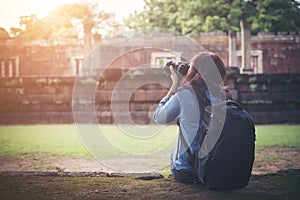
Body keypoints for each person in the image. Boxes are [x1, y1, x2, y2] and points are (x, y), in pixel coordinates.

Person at [153, 51, 227, 183]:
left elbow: (159, 117)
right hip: (213, 167)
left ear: (196, 71)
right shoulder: (223, 96)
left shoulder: (185, 94)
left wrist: (175, 85)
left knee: (177, 157)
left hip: (186, 170)